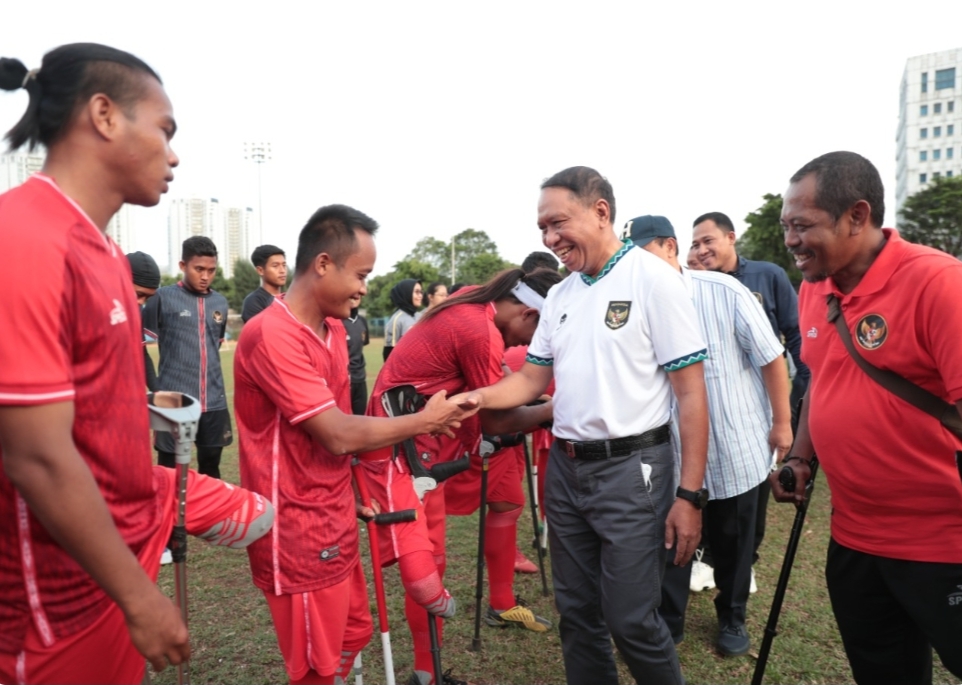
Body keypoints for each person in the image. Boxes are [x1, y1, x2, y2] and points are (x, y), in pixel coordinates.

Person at [0, 43, 273, 685]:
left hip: (114, 570)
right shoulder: (24, 239)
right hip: (55, 609)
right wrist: (140, 598)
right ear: (103, 115)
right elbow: (36, 455)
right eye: (165, 130)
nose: (173, 153)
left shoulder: (104, 255)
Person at [454, 166, 709, 685]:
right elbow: (529, 381)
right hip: (567, 474)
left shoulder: (653, 280)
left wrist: (690, 495)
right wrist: (468, 399)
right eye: (542, 229)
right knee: (577, 614)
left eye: (558, 223)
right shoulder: (564, 296)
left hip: (633, 470)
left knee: (632, 619)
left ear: (600, 212)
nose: (551, 239)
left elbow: (691, 393)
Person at [234, 203, 471, 685]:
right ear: (322, 264)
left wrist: (360, 490)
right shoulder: (271, 334)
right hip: (296, 529)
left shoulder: (336, 330)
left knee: (352, 634)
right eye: (361, 274)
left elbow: (347, 428)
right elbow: (338, 433)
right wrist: (422, 421)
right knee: (317, 666)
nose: (365, 287)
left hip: (335, 515)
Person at [770, 151, 962, 684]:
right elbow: (823, 380)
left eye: (802, 225)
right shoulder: (814, 290)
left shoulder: (938, 283)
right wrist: (802, 454)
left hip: (943, 543)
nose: (790, 239)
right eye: (787, 226)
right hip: (854, 538)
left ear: (857, 215)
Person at [360, 268, 558, 685]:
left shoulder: (472, 304)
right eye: (536, 333)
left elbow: (498, 391)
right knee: (427, 567)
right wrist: (555, 409)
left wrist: (535, 399)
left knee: (434, 562)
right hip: (404, 455)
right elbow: (496, 422)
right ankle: (425, 674)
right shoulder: (478, 329)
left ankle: (427, 672)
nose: (527, 346)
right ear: (527, 313)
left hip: (414, 449)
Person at [627, 215, 792, 656]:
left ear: (669, 247)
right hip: (672, 453)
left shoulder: (724, 291)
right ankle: (670, 619)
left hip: (735, 445)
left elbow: (772, 359)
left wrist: (782, 422)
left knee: (735, 541)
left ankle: (733, 616)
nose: (636, 269)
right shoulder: (631, 304)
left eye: (643, 256)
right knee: (672, 539)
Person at [691, 209, 809, 586]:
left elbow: (793, 334)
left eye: (708, 240)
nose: (702, 249)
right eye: (695, 243)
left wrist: (794, 403)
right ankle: (708, 557)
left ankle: (746, 562)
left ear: (731, 237)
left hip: (762, 402)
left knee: (753, 489)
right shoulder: (696, 286)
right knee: (711, 485)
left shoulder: (767, 275)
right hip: (717, 403)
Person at [143, 236, 232, 479]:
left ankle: (207, 517)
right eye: (199, 269)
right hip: (175, 404)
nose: (205, 276)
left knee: (211, 469)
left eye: (211, 270)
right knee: (170, 472)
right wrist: (158, 389)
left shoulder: (220, 303)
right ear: (183, 266)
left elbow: (216, 345)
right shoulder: (161, 298)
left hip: (214, 402)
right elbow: (139, 347)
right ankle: (171, 518)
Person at [127, 250, 162, 392]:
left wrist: (158, 391)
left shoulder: (136, 311)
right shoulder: (90, 305)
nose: (141, 302)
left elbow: (141, 354)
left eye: (147, 298)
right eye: (139, 294)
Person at [242, 244, 287, 323]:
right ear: (260, 270)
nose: (282, 270)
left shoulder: (289, 299)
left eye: (284, 265)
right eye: (275, 266)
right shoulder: (254, 302)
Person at [383, 278, 422, 360]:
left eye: (421, 292)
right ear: (406, 293)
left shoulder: (420, 316)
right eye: (417, 292)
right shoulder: (396, 320)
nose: (420, 296)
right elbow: (388, 353)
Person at [343, 307, 370, 415]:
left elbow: (362, 345)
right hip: (344, 380)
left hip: (360, 378)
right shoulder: (337, 322)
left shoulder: (362, 321)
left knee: (361, 418)